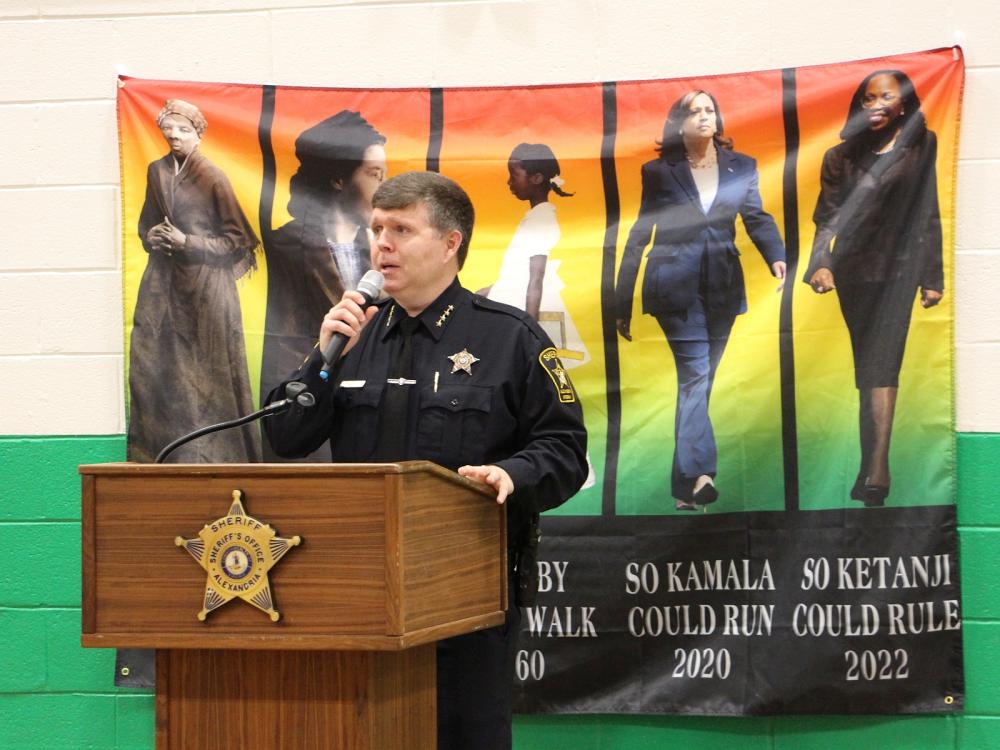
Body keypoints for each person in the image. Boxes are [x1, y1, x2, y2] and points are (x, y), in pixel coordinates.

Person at [263, 171, 588, 749]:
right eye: (377, 229)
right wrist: (323, 356)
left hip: (464, 597)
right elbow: (285, 436)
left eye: (401, 229)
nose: (381, 244)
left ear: (450, 243)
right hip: (356, 591)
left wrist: (512, 473)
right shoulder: (351, 333)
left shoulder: (510, 338)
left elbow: (564, 449)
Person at [614, 90, 786, 511]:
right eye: (695, 111)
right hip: (673, 284)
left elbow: (756, 216)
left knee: (699, 384)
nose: (704, 117)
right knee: (695, 375)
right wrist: (622, 300)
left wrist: (776, 256)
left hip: (723, 285)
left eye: (710, 109)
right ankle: (703, 473)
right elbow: (640, 233)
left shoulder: (741, 166)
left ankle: (683, 488)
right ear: (679, 122)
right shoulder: (658, 171)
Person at [803, 70, 943, 507]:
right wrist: (821, 265)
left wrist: (932, 276)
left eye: (886, 97)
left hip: (900, 268)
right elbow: (827, 219)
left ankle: (877, 471)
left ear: (902, 104)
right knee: (871, 364)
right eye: (868, 98)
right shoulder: (839, 157)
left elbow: (929, 208)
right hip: (855, 272)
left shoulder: (922, 145)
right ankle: (872, 467)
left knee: (882, 361)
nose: (876, 104)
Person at [128, 98, 262, 463]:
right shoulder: (156, 170)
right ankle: (163, 459)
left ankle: (219, 460)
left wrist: (188, 242)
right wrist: (152, 236)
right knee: (156, 368)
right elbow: (146, 222)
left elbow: (239, 239)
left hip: (206, 289)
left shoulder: (213, 176)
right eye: (168, 128)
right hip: (163, 288)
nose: (174, 135)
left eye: (183, 129)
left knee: (208, 377)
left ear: (198, 135)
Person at [260, 110, 387, 453]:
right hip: (306, 421)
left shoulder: (384, 255)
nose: (384, 188)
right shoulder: (282, 246)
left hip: (370, 427)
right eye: (375, 174)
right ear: (338, 178)